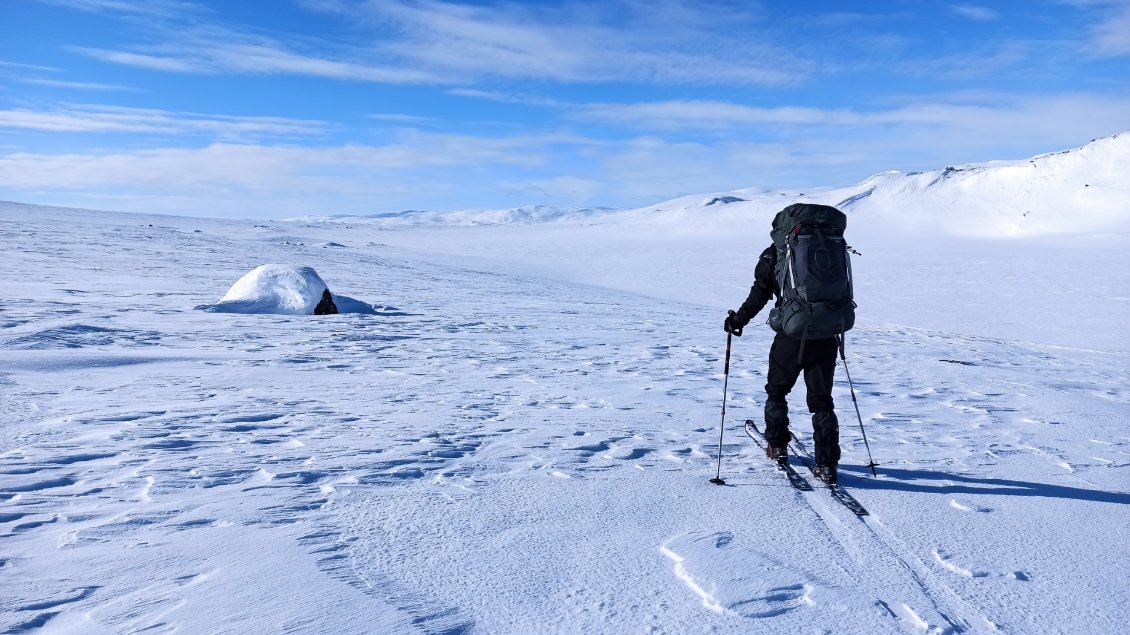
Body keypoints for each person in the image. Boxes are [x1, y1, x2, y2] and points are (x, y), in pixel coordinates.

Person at [723, 244, 842, 485]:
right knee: (822, 400)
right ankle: (827, 465)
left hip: (791, 335)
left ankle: (777, 446)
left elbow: (760, 291)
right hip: (826, 334)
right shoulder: (828, 249)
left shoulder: (777, 252)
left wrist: (738, 320)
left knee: (777, 391)